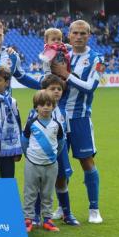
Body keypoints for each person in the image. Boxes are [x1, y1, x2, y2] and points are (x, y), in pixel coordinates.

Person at [51, 20, 104, 224]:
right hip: (59, 119)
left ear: (89, 35)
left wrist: (66, 74)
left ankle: (94, 209)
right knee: (60, 166)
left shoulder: (97, 60)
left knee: (87, 162)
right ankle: (62, 207)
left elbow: (90, 87)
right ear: (69, 35)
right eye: (75, 33)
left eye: (83, 33)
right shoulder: (62, 55)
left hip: (81, 117)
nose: (79, 36)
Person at [31, 74, 80, 226]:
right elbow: (28, 135)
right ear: (44, 90)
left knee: (61, 181)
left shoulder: (63, 112)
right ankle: (36, 215)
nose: (57, 91)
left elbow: (66, 135)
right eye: (52, 89)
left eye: (59, 89)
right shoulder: (34, 113)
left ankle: (67, 213)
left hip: (60, 152)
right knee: (39, 183)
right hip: (40, 153)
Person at [22, 91, 66, 233]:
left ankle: (47, 219)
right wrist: (30, 156)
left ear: (53, 106)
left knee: (47, 193)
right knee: (30, 192)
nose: (45, 107)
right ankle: (28, 219)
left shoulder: (57, 125)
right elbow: (24, 142)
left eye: (49, 104)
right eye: (42, 105)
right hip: (32, 164)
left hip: (51, 165)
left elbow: (60, 143)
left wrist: (52, 156)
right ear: (36, 107)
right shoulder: (31, 124)